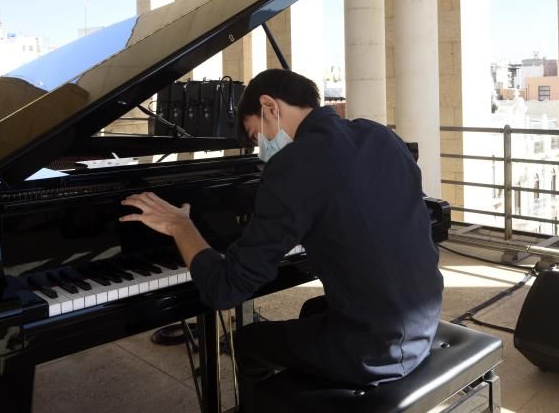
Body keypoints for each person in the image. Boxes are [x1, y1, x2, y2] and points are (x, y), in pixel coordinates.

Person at [120, 69, 443, 401]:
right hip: (424, 320)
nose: (261, 148)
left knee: (247, 342)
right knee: (312, 311)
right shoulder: (378, 135)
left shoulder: (293, 164)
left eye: (256, 135)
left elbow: (224, 290)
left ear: (269, 106)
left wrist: (180, 226)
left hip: (378, 350)